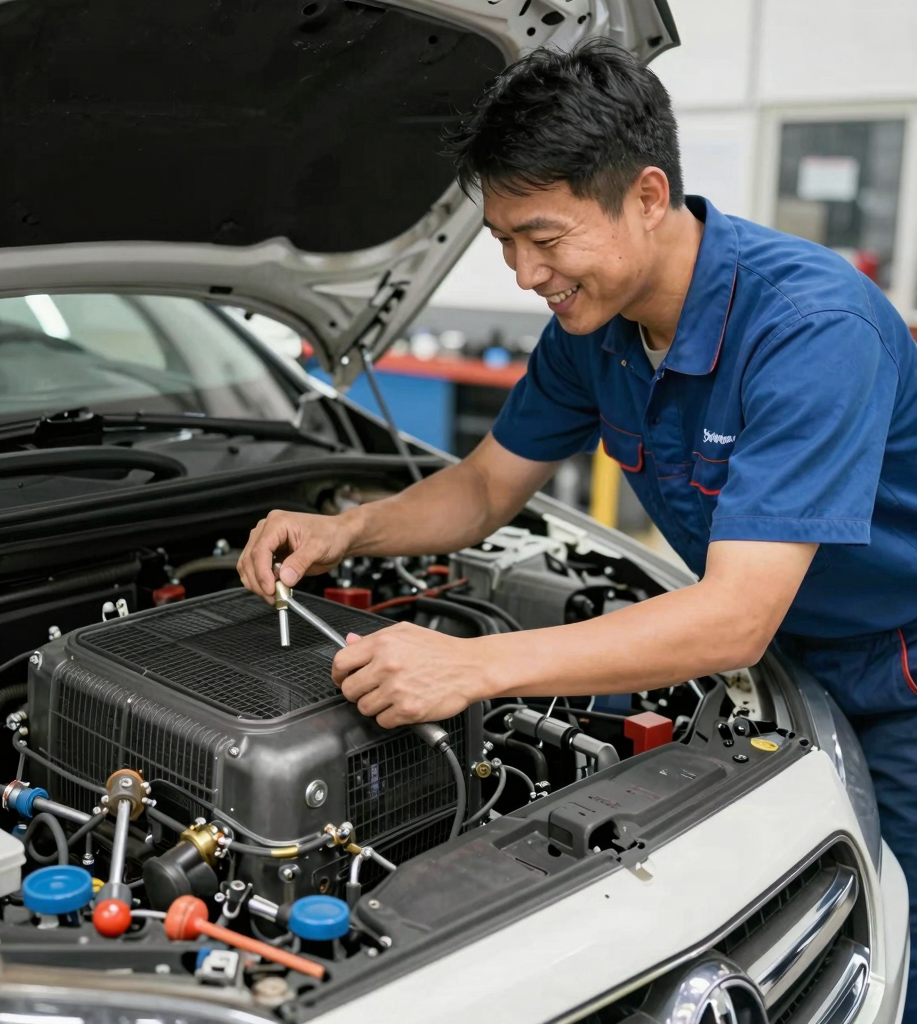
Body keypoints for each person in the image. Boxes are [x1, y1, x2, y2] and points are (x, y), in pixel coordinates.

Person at [238, 41, 917, 1014]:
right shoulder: (590, 335)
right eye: (504, 242)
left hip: (895, 672)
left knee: (888, 925)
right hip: (784, 656)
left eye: (542, 237)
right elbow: (480, 491)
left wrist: (470, 666)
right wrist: (344, 531)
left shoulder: (810, 330)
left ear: (646, 195)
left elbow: (731, 621)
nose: (523, 274)